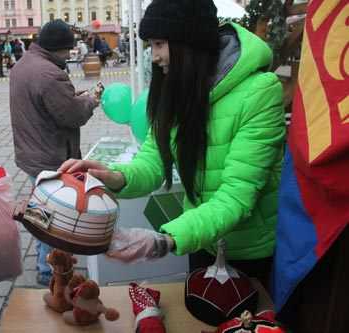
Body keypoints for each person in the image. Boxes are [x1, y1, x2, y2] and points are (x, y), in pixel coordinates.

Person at [59, 0, 285, 290]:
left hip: (249, 253)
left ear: (188, 43)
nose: (154, 56)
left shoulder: (259, 93)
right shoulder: (177, 85)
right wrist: (113, 176)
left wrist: (164, 241)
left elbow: (236, 197)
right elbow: (154, 160)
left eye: (159, 44)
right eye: (151, 46)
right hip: (200, 242)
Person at [10, 19, 102, 286]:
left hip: (31, 153)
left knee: (43, 210)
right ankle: (49, 270)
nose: (70, 55)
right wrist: (91, 101)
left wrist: (76, 96)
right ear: (58, 48)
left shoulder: (24, 64)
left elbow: (49, 105)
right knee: (54, 218)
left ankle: (45, 261)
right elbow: (72, 115)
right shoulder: (50, 74)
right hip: (50, 156)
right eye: (68, 50)